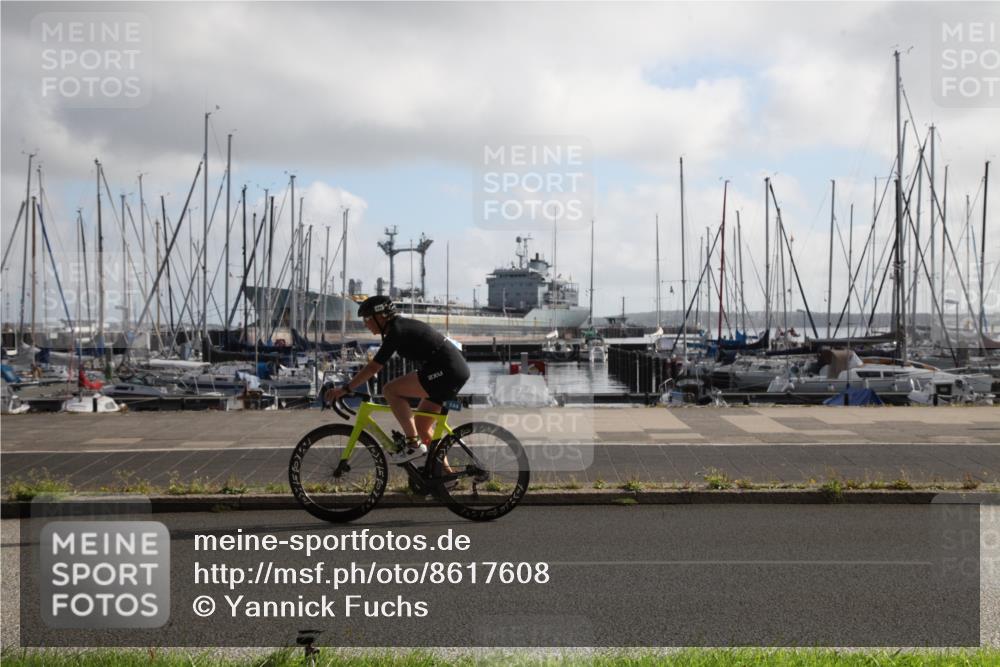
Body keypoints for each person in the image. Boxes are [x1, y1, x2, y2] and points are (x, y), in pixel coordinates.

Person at [324, 295, 470, 464]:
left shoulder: (397, 331)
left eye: (367, 318)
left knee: (390, 390)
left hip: (446, 371)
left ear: (381, 316)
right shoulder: (397, 328)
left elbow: (373, 367)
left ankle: (413, 445)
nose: (365, 323)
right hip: (448, 371)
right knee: (422, 426)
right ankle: (444, 477)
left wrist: (344, 389)